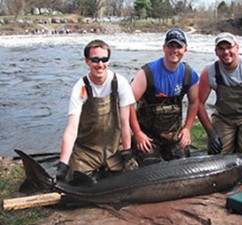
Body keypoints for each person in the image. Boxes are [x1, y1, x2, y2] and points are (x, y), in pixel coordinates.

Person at [56, 39, 138, 182]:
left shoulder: (120, 83)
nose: (100, 65)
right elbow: (71, 129)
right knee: (76, 181)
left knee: (128, 180)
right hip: (87, 150)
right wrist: (63, 164)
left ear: (108, 60)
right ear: (87, 61)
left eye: (104, 59)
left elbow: (125, 124)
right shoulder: (80, 88)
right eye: (95, 60)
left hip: (114, 148)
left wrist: (127, 153)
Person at [130, 28, 199, 166]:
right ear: (164, 48)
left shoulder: (189, 74)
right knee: (150, 171)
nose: (174, 50)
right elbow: (128, 103)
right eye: (170, 46)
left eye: (178, 47)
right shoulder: (147, 73)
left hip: (174, 136)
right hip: (148, 137)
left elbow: (194, 102)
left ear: (185, 50)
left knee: (184, 168)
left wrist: (187, 129)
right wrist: (137, 133)